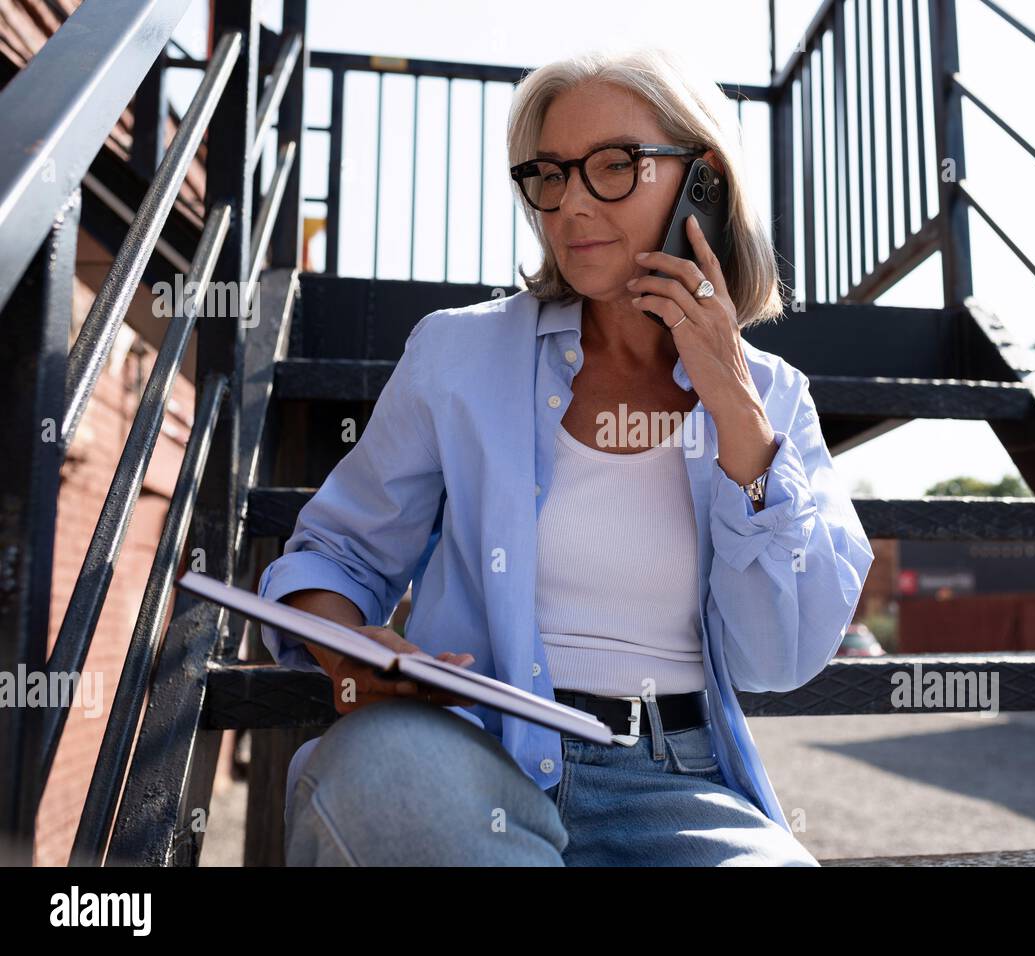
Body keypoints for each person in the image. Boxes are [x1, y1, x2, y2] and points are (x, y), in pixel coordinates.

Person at [258, 46, 874, 866]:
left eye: (614, 166)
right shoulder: (458, 354)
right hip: (466, 761)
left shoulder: (777, 399)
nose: (572, 203)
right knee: (375, 780)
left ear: (705, 182)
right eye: (550, 174)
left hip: (678, 786)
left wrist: (733, 403)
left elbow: (779, 657)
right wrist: (354, 653)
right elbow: (335, 556)